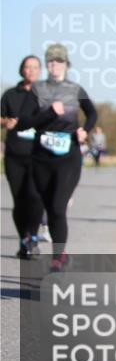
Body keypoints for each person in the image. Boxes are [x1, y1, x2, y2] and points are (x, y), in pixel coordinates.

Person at [14, 43, 98, 272]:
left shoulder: (75, 89)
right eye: (51, 61)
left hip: (68, 157)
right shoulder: (37, 90)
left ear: (66, 64)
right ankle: (61, 254)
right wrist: (50, 112)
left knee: (59, 207)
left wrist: (84, 130)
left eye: (59, 61)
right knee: (50, 208)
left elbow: (92, 113)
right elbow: (23, 122)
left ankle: (57, 258)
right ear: (47, 65)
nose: (54, 65)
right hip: (41, 158)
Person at [2, 55, 44, 258]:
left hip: (39, 154)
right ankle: (23, 241)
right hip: (15, 154)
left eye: (35, 67)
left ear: (40, 71)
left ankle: (33, 237)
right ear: (22, 70)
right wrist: (5, 122)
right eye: (28, 67)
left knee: (35, 197)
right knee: (19, 200)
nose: (32, 70)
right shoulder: (10, 94)